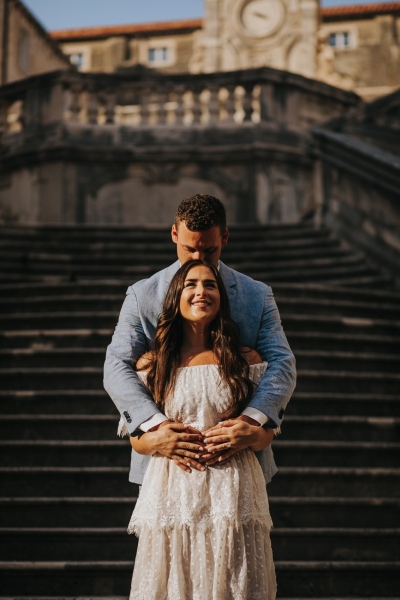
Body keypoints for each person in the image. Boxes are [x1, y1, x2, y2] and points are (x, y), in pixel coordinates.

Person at [104, 194, 296, 483]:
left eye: (209, 251)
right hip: (164, 464)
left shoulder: (256, 295)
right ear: (173, 234)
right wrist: (156, 427)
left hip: (239, 465)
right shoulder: (142, 295)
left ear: (225, 238)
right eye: (189, 249)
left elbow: (282, 363)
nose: (197, 260)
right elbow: (116, 365)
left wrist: (250, 421)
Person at [127, 259, 277, 599]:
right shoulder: (154, 363)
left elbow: (266, 434)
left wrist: (250, 435)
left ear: (221, 297)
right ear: (176, 296)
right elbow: (137, 440)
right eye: (191, 284)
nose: (201, 291)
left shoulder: (245, 359)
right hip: (170, 491)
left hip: (233, 491)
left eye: (210, 285)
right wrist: (160, 443)